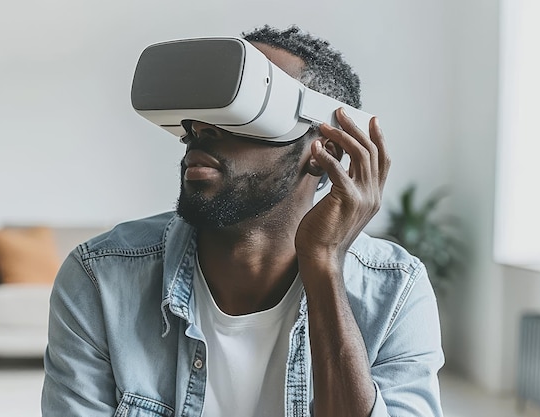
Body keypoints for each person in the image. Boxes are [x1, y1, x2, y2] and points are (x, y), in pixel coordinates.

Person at [41, 25, 444, 417]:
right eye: (203, 109)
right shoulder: (101, 279)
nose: (200, 127)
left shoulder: (395, 291)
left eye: (247, 106)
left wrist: (324, 262)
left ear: (326, 151)